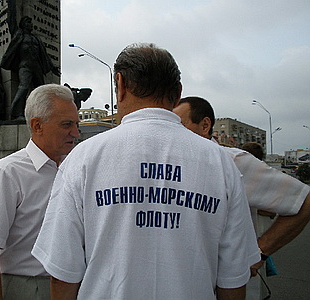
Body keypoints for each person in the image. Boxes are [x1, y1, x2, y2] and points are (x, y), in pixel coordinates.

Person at [32, 43, 259, 300]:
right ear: (178, 93)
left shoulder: (83, 159)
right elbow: (233, 278)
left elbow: (64, 272)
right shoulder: (222, 164)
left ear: (121, 84)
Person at [173, 96, 310, 299]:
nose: (175, 133)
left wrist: (260, 251)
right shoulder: (178, 162)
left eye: (181, 125)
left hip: (239, 288)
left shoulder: (233, 161)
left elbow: (303, 201)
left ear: (205, 125)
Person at [0, 84, 80, 300]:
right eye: (67, 125)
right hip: (28, 287)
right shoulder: (7, 173)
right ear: (37, 126)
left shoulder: (77, 167)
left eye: (76, 124)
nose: (76, 132)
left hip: (74, 286)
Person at [1, 16, 61, 120]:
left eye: (31, 22)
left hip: (36, 65)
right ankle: (16, 114)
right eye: (28, 22)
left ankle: (43, 113)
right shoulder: (19, 35)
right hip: (25, 64)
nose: (31, 25)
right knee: (23, 87)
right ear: (23, 24)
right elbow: (11, 20)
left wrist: (52, 67)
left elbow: (44, 55)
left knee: (41, 90)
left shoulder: (36, 38)